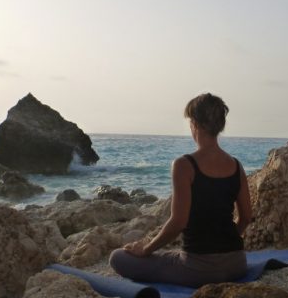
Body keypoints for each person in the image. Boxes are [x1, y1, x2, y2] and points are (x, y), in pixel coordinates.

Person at [109, 93, 254, 287]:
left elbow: (178, 222)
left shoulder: (184, 165)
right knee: (170, 256)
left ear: (195, 123)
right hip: (237, 264)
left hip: (199, 271)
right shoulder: (236, 165)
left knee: (118, 257)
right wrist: (225, 245)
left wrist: (146, 249)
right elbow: (246, 217)